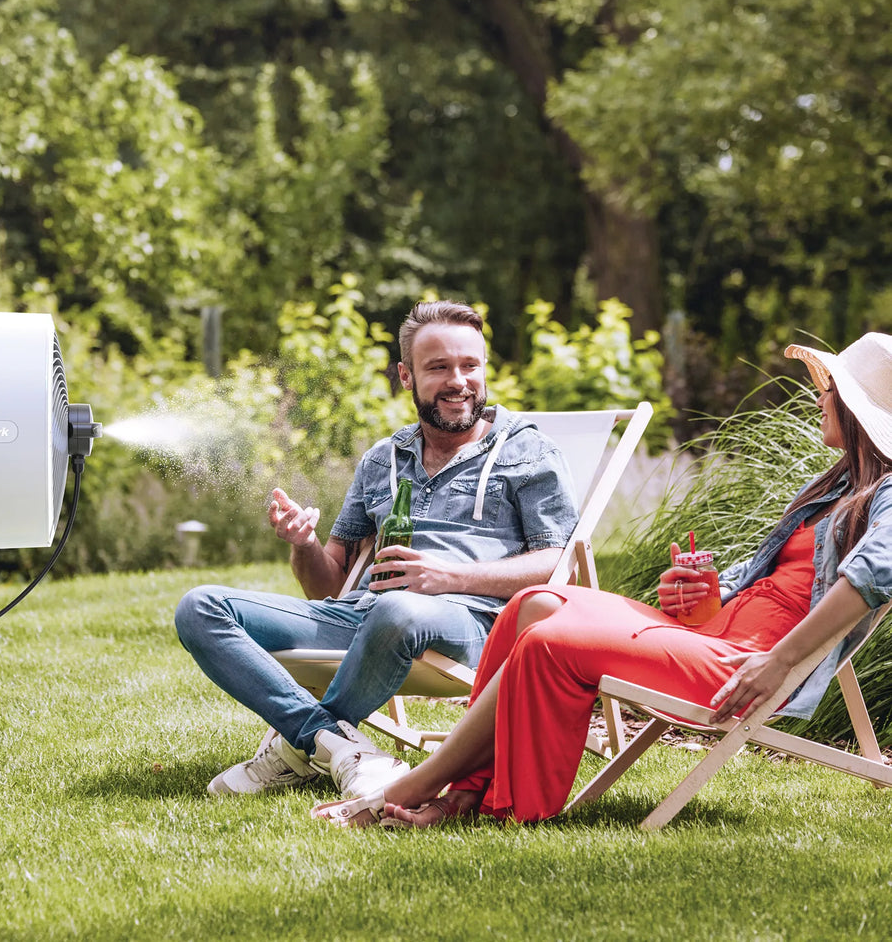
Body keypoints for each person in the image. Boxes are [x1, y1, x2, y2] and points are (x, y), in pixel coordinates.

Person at [311, 332, 892, 828]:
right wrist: (705, 594)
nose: (820, 398)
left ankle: (410, 789)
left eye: (830, 393)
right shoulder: (836, 488)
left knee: (551, 641)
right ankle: (467, 791)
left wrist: (781, 663)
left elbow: (866, 581)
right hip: (715, 636)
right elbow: (772, 587)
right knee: (535, 604)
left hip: (747, 665)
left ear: (861, 415)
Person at [175, 301, 580, 800]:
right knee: (200, 606)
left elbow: (558, 565)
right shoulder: (381, 459)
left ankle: (295, 752)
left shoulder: (528, 451)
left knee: (399, 609)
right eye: (439, 368)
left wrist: (449, 578)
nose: (459, 381)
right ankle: (332, 745)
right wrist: (303, 545)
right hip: (361, 616)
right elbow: (327, 584)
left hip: (473, 625)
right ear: (406, 377)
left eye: (470, 366)